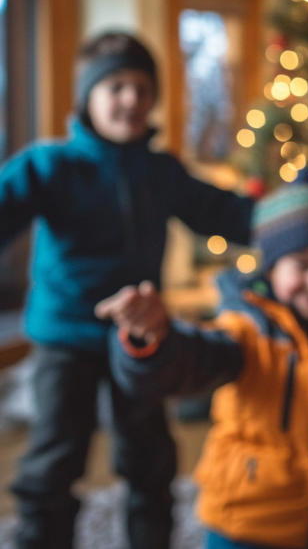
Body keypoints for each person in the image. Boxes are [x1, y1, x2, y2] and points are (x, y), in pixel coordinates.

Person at [0, 31, 254, 549]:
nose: (132, 100)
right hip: (64, 338)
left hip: (138, 339)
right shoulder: (50, 165)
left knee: (150, 457)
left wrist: (283, 218)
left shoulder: (161, 171)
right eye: (116, 86)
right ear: (87, 97)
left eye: (142, 88)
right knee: (53, 457)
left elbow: (221, 211)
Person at [96, 179, 308, 549]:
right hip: (246, 523)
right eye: (303, 264)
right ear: (271, 269)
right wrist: (153, 338)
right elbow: (192, 360)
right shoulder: (245, 329)